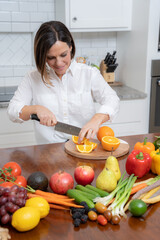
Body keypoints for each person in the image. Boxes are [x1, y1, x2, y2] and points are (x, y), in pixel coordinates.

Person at [7, 21, 120, 145]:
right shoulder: (32, 78)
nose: (59, 63)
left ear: (70, 47)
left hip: (84, 148)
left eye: (63, 55)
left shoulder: (89, 73)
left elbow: (112, 99)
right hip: (48, 152)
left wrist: (97, 119)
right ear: (43, 56)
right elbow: (12, 110)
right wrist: (35, 109)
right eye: (51, 57)